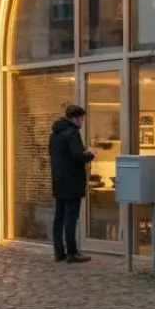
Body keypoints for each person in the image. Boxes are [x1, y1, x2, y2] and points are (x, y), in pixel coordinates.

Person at [49, 104, 95, 263]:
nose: (82, 122)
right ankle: (72, 252)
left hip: (58, 180)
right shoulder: (72, 134)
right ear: (75, 118)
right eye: (81, 118)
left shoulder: (55, 134)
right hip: (72, 181)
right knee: (71, 217)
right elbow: (78, 156)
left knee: (59, 217)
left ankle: (58, 251)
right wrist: (90, 154)